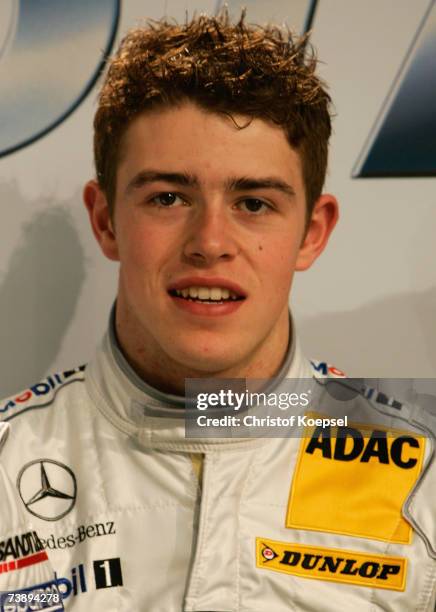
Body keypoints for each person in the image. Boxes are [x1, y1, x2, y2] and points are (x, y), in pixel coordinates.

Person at [1, 11, 435, 611]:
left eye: (253, 203)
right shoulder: (7, 465)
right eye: (169, 197)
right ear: (105, 221)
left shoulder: (424, 475)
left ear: (312, 232)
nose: (210, 241)